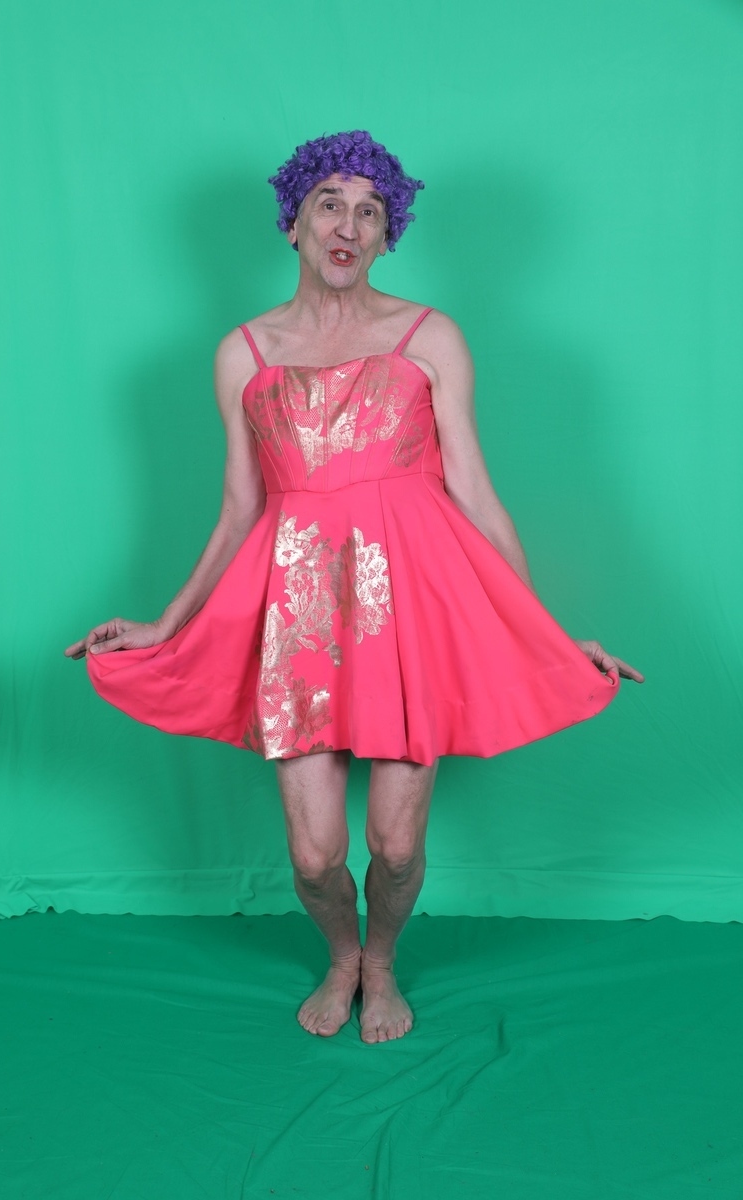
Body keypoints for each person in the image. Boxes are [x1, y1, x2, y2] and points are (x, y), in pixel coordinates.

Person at [65, 130, 643, 1044]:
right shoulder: (243, 353)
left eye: (370, 210)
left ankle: (382, 960)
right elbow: (239, 509)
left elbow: (477, 495)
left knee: (398, 847)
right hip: (299, 613)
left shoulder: (430, 336)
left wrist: (544, 634)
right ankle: (342, 954)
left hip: (412, 609)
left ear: (387, 234)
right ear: (293, 222)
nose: (349, 223)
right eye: (330, 203)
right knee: (313, 854)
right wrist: (165, 625)